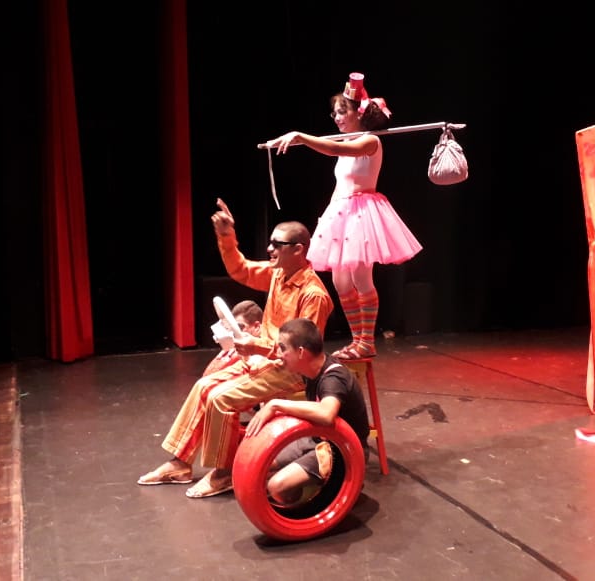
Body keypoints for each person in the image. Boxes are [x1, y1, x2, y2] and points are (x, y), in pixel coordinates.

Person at [137, 198, 334, 498]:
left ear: (298, 250)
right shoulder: (278, 274)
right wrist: (227, 236)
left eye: (277, 244)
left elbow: (303, 353)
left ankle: (225, 472)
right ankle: (180, 463)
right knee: (204, 386)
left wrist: (257, 347)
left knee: (221, 399)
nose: (269, 249)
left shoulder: (313, 294)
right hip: (265, 360)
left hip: (291, 371)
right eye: (270, 243)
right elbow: (240, 269)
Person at [267, 71, 422, 360]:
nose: (337, 118)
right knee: (340, 282)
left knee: (361, 277)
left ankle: (367, 341)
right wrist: (327, 217)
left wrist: (300, 136)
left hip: (362, 214)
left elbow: (334, 148)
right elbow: (340, 182)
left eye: (342, 112)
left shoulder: (369, 142)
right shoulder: (347, 143)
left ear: (358, 114)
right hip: (341, 214)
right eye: (335, 113)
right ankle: (356, 339)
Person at [244, 318, 370, 506]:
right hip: (318, 439)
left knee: (276, 486)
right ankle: (309, 487)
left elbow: (326, 414)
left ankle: (318, 502)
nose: (279, 353)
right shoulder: (310, 371)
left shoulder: (334, 378)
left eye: (283, 348)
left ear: (301, 352)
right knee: (261, 465)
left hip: (344, 451)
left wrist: (276, 405)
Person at [201, 299, 263, 377]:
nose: (234, 333)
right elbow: (206, 377)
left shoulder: (268, 355)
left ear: (257, 327)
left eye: (240, 327)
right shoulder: (234, 350)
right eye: (233, 328)